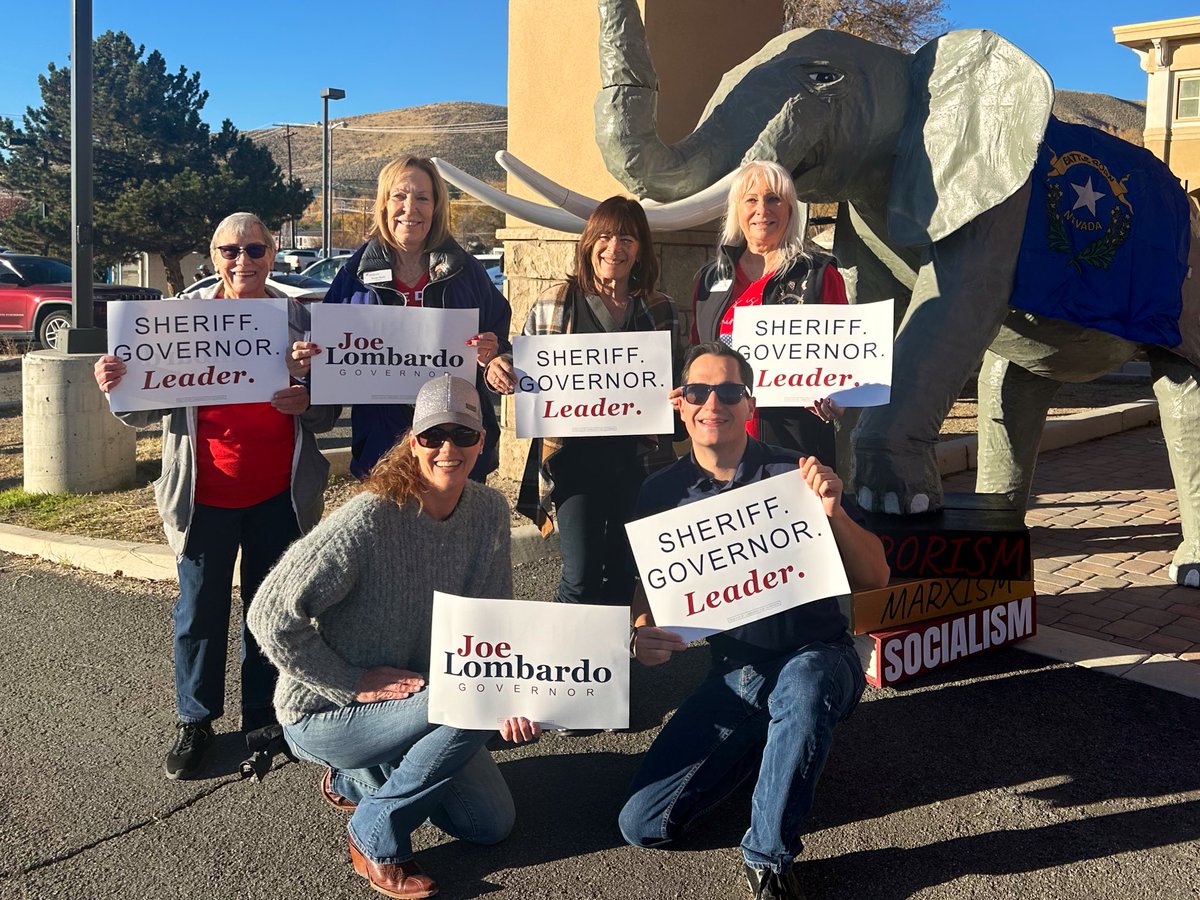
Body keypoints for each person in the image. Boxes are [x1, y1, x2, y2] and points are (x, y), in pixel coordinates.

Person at [248, 374, 537, 900]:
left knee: (489, 825)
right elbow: (268, 615)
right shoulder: (369, 518)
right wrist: (352, 681)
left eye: (464, 434)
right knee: (462, 703)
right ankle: (375, 833)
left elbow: (493, 621)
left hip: (421, 697)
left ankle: (354, 782)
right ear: (413, 440)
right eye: (433, 435)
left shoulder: (489, 513)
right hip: (325, 713)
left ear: (483, 440)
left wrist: (516, 692)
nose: (448, 448)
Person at [618, 342, 890, 900]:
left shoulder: (797, 474)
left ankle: (768, 859)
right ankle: (772, 747)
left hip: (817, 654)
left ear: (749, 403)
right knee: (642, 824)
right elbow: (644, 594)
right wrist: (638, 635)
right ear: (680, 402)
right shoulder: (657, 493)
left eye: (728, 391)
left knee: (806, 686)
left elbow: (876, 575)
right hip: (735, 671)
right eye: (698, 391)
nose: (711, 402)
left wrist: (834, 511)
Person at [93, 212, 339, 780]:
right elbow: (140, 410)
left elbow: (326, 413)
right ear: (214, 257)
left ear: (273, 253)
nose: (243, 261)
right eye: (231, 251)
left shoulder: (301, 320)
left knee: (267, 609)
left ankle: (264, 714)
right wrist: (118, 382)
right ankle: (196, 719)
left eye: (255, 250)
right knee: (198, 612)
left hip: (280, 496)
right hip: (203, 497)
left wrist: (308, 400)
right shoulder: (181, 320)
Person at [486, 196, 685, 605]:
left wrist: (683, 398)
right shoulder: (554, 303)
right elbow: (523, 364)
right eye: (606, 237)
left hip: (640, 462)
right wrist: (500, 368)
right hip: (573, 463)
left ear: (641, 249)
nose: (615, 248)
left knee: (626, 570)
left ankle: (616, 667)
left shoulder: (661, 308)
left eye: (627, 238)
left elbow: (678, 374)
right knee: (580, 575)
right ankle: (569, 662)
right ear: (589, 244)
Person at [290, 156, 512, 482]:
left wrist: (495, 358)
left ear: (436, 206)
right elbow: (328, 368)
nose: (411, 208)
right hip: (383, 453)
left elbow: (499, 336)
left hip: (456, 448)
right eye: (400, 196)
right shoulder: (355, 274)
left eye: (423, 197)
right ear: (383, 204)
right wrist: (307, 380)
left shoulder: (466, 270)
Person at [691, 160, 848, 466]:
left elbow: (844, 359)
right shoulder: (710, 279)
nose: (762, 209)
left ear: (791, 209)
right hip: (721, 448)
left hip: (795, 445)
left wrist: (839, 397)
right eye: (751, 199)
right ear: (737, 210)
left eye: (774, 198)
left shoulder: (818, 275)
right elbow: (696, 356)